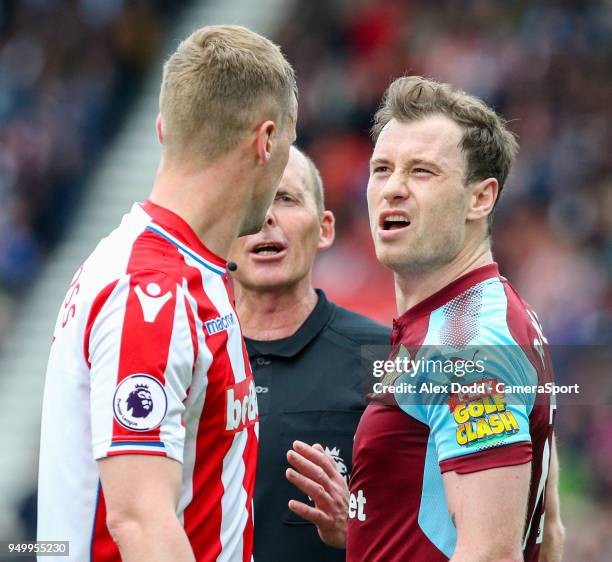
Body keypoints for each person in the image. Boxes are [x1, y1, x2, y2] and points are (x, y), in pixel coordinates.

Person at [37, 25, 296, 561]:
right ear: (266, 141)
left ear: (162, 129)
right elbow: (141, 523)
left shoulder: (174, 271)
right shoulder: (154, 291)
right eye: (288, 147)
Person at [286, 76, 565, 561]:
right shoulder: (469, 317)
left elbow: (492, 554)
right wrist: (369, 528)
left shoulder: (466, 341)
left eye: (421, 172)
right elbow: (549, 531)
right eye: (382, 168)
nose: (393, 188)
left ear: (481, 198)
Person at [227, 146, 389, 562]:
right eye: (252, 202)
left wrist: (357, 525)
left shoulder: (384, 356)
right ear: (220, 236)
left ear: (324, 228)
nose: (266, 218)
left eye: (285, 199)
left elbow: (436, 513)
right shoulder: (188, 358)